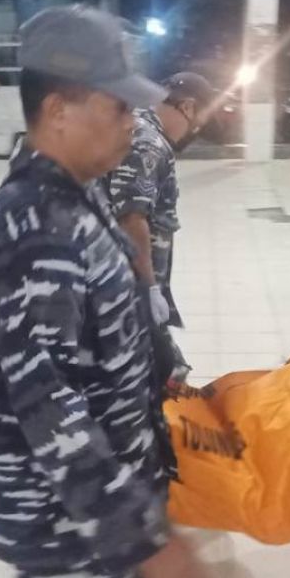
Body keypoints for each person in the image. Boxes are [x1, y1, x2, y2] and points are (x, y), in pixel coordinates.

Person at [0, 6, 210, 578]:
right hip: (65, 517)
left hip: (100, 495)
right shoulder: (38, 226)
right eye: (119, 107)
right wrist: (138, 537)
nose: (134, 123)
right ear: (59, 111)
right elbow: (49, 404)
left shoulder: (79, 191)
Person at [103, 71, 217, 383]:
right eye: (198, 122)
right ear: (188, 108)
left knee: (156, 364)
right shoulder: (149, 143)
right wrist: (150, 287)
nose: (195, 131)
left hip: (127, 274)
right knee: (166, 370)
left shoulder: (140, 127)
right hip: (131, 277)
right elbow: (132, 217)